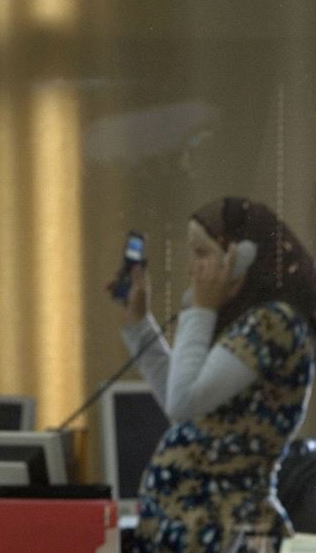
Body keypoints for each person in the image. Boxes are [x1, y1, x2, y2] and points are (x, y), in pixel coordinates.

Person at [119, 197, 316, 552]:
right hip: (193, 529)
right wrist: (139, 325)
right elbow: (185, 408)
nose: (193, 269)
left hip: (228, 532)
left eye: (202, 253)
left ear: (242, 258)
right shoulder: (239, 323)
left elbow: (184, 402)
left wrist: (201, 310)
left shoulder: (273, 323)